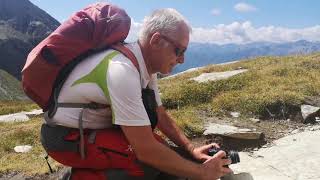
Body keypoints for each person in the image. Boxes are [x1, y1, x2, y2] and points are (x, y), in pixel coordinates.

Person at [41, 8, 232, 180]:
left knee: (163, 151)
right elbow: (146, 151)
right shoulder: (122, 70)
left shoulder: (145, 66)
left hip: (91, 132)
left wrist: (191, 150)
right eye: (178, 50)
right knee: (147, 163)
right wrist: (202, 173)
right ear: (156, 40)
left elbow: (160, 115)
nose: (181, 59)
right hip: (65, 139)